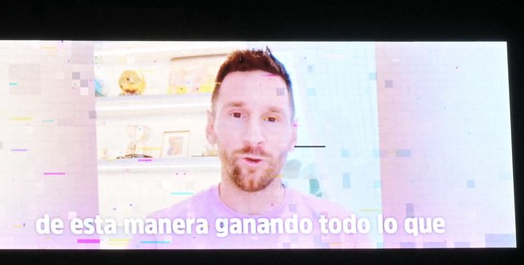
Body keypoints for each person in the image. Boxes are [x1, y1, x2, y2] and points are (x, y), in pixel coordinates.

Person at [129, 48, 372, 249]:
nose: (253, 137)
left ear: (293, 134)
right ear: (210, 127)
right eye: (237, 114)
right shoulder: (157, 237)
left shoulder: (344, 233)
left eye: (271, 118)